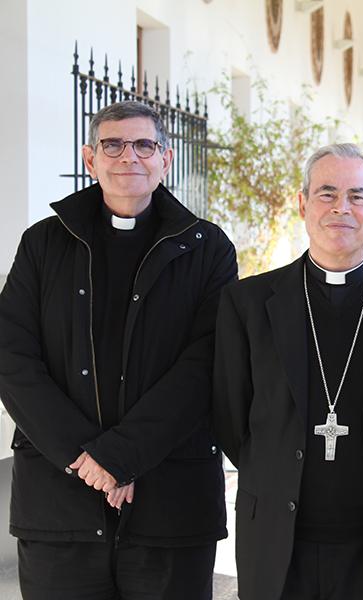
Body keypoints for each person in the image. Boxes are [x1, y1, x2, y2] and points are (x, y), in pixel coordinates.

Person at [0, 101, 237, 599]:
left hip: (171, 505)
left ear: (165, 159)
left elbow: (205, 364)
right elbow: (12, 356)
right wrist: (87, 458)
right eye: (113, 144)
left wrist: (122, 456)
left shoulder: (208, 248)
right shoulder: (43, 243)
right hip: (59, 503)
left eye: (145, 144)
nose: (130, 156)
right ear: (91, 158)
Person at [213, 143, 363, 600]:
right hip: (281, 548)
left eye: (357, 196)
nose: (341, 207)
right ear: (303, 205)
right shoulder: (247, 304)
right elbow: (230, 417)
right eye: (327, 193)